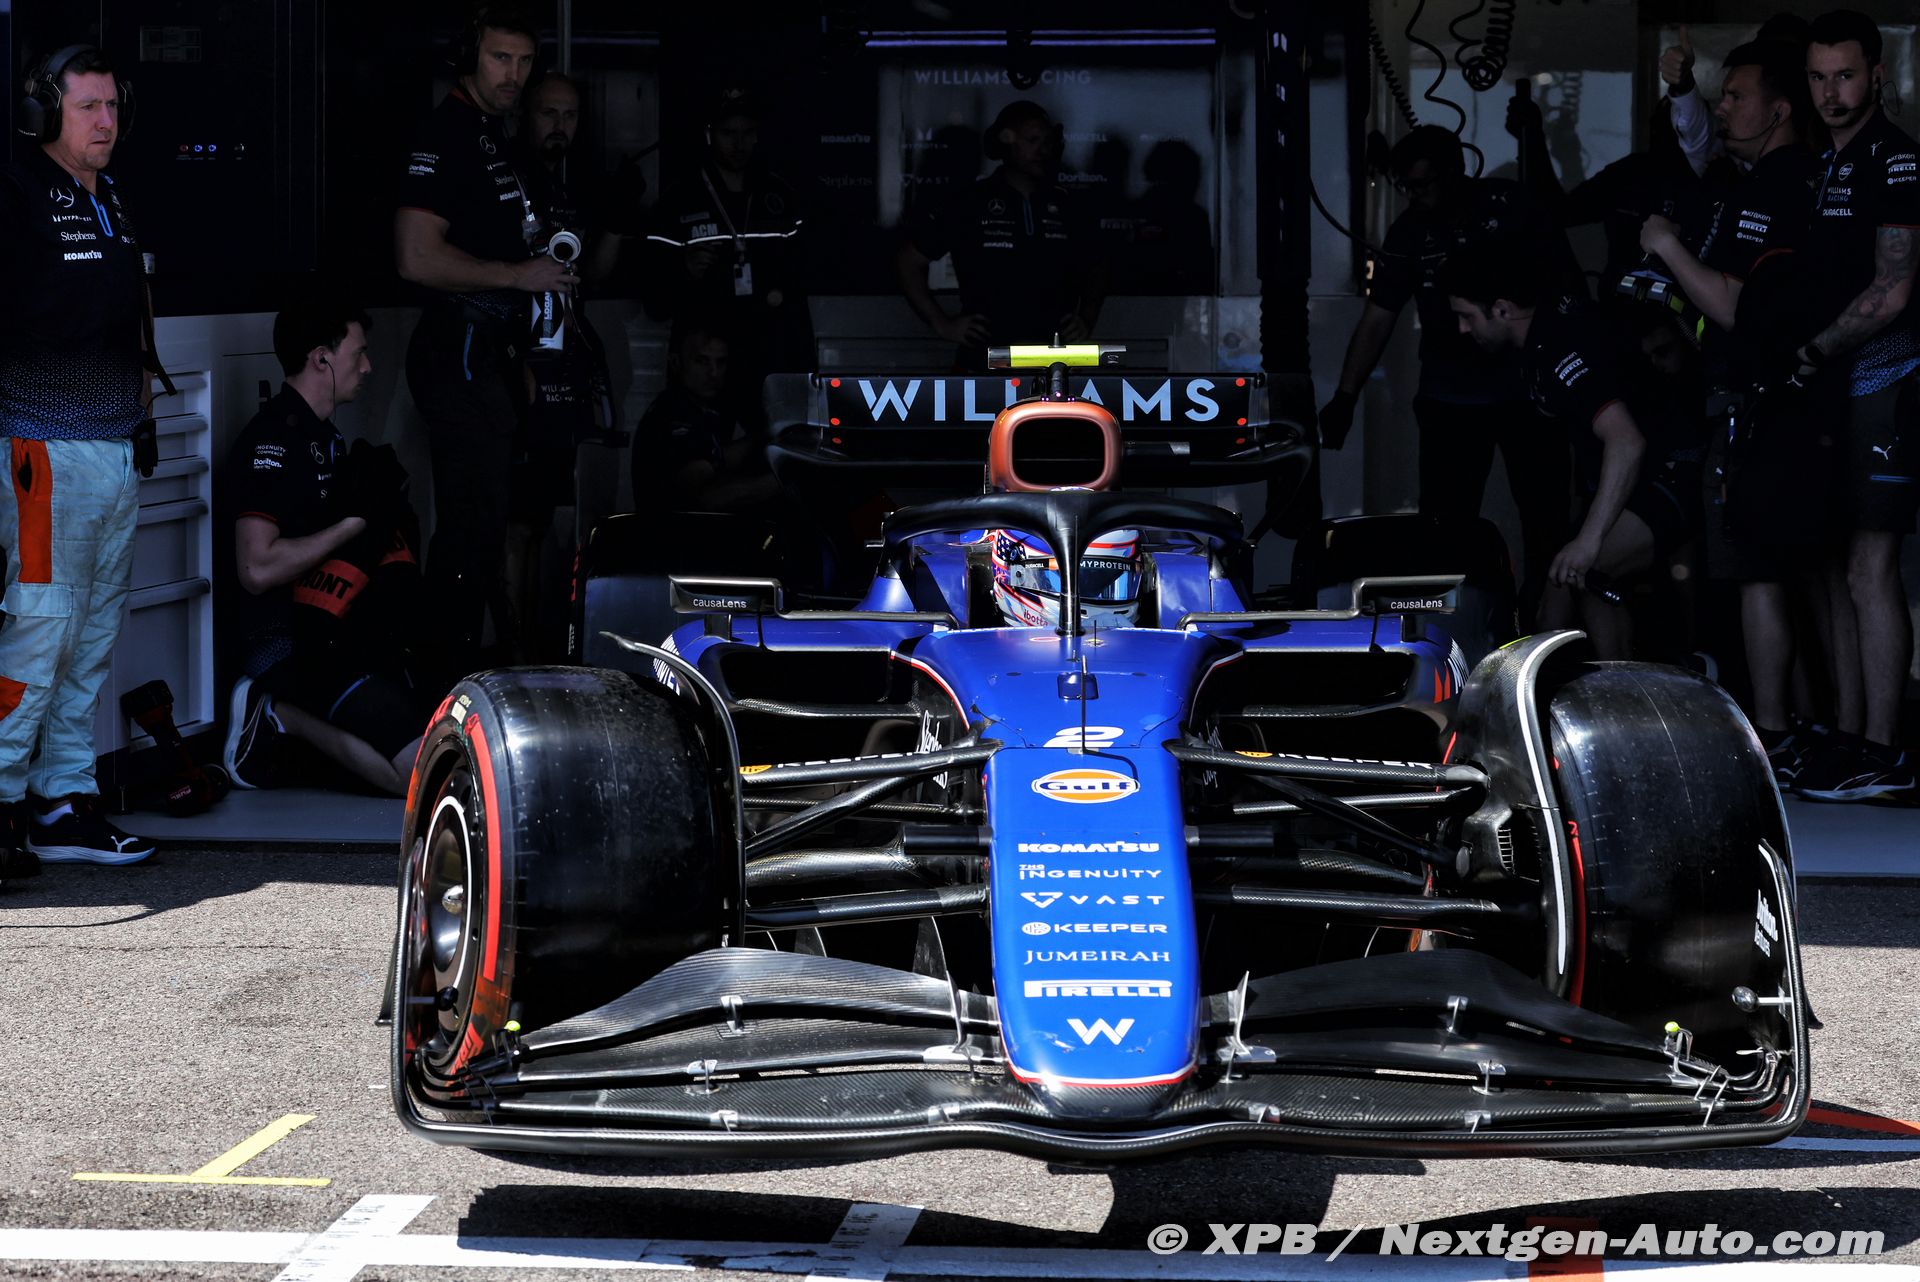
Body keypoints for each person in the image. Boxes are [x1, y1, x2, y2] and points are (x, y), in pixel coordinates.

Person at [1636, 40, 1821, 768]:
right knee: (1779, 572)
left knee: (1758, 571)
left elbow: (1734, 306)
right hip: (1767, 398)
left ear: (1778, 111)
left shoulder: (1775, 184)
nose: (1724, 109)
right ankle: (1800, 726)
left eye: (1736, 96)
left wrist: (1666, 246)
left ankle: (1772, 731)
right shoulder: (1767, 175)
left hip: (1763, 402)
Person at [0, 44, 158, 869]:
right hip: (42, 446)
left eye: (112, 106)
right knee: (40, 631)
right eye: (87, 106)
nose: (106, 121)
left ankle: (62, 799)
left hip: (111, 446)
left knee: (91, 634)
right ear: (44, 113)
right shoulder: (16, 191)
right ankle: (0, 801)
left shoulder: (111, 195)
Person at [1319, 125, 1580, 622]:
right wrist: (1345, 397)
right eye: (1406, 187)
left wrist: (1574, 378)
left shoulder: (1513, 208)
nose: (1414, 196)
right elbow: (1378, 317)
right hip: (1451, 397)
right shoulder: (1410, 232)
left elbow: (1568, 291)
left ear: (1455, 171)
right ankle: (1452, 628)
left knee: (1545, 520)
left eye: (1423, 184)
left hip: (1530, 393)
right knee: (1443, 527)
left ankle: (1546, 626)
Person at [395, 4, 573, 670]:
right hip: (457, 350)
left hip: (492, 354)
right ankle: (445, 685)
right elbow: (415, 257)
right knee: (469, 531)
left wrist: (517, 350)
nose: (513, 75)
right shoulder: (444, 133)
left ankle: (476, 671)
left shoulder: (495, 135)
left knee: (491, 523)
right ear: (470, 54)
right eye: (501, 57)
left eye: (524, 62)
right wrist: (519, 276)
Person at [1785, 10, 1920, 801]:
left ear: (1876, 74)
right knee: (1838, 565)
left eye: (1845, 75)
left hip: (1886, 382)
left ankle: (1886, 749)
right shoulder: (1823, 162)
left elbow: (1893, 290)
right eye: (1818, 76)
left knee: (1871, 567)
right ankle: (1851, 737)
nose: (1831, 91)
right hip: (1834, 388)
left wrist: (1809, 353)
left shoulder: (1896, 159)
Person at [221, 298, 432, 797]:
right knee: (421, 775)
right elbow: (256, 568)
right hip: (287, 644)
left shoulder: (330, 440)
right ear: (321, 358)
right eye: (359, 353)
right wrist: (353, 525)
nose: (368, 366)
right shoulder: (272, 441)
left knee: (444, 747)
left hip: (339, 632)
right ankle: (274, 713)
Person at [1445, 245, 1667, 660]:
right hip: (1627, 484)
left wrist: (1588, 540)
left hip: (1667, 475)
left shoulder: (1560, 347)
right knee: (1553, 598)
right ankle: (1534, 684)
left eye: (1467, 316)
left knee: (1585, 568)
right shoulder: (1539, 343)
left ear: (1502, 309)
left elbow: (1627, 441)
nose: (1461, 328)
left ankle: (1620, 685)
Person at [508, 69, 619, 660]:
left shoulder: (566, 187)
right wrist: (512, 359)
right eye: (548, 113)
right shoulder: (507, 179)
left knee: (546, 517)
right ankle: (508, 652)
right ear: (525, 115)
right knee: (516, 522)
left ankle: (535, 647)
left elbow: (588, 278)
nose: (560, 126)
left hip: (562, 367)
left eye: (570, 115)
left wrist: (618, 220)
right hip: (519, 366)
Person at [896, 100, 1106, 368]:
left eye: (1048, 141)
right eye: (1033, 140)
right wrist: (942, 324)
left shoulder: (1067, 205)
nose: (1043, 150)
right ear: (1006, 141)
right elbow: (908, 261)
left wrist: (1086, 317)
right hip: (985, 360)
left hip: (1055, 359)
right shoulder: (971, 203)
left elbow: (1098, 264)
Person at [644, 86, 810, 422]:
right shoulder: (678, 199)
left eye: (748, 133)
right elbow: (655, 302)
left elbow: (800, 289)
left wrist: (803, 366)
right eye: (728, 133)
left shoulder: (778, 195)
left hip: (768, 360)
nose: (739, 144)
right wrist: (685, 269)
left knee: (772, 445)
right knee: (701, 448)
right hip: (707, 364)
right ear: (709, 134)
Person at [631, 324, 778, 518]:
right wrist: (784, 480)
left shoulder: (693, 408)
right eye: (701, 361)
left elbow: (714, 458)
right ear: (676, 363)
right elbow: (709, 497)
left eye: (721, 362)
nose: (713, 373)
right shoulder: (674, 414)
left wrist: (767, 436)